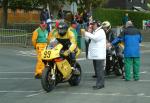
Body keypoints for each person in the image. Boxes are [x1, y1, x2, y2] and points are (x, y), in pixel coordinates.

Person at [81, 20, 106, 89]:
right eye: (92, 24)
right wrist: (87, 33)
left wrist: (86, 33)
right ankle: (101, 83)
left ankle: (99, 84)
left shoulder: (101, 31)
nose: (92, 26)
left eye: (93, 24)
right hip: (96, 55)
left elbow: (95, 38)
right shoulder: (95, 32)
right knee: (97, 70)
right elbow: (87, 40)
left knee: (99, 70)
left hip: (99, 55)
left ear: (97, 25)